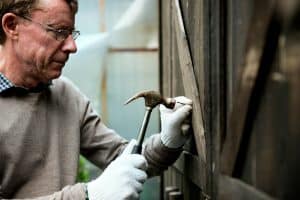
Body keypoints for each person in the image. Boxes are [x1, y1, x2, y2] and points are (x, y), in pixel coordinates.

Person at [0, 0, 193, 199]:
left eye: (71, 33)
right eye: (58, 31)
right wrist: (88, 195)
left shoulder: (65, 95)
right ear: (12, 26)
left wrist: (168, 141)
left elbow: (126, 160)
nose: (72, 46)